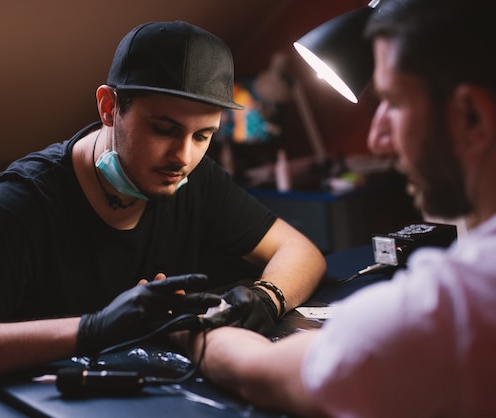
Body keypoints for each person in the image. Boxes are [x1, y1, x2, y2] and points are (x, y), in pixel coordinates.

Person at [0, 21, 326, 387]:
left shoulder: (192, 178)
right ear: (109, 108)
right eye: (164, 129)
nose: (183, 157)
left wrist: (269, 298)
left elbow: (300, 251)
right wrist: (92, 329)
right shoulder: (27, 200)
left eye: (202, 136)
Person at [179, 0, 496, 416]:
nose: (378, 140)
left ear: (472, 116)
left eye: (392, 103)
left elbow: (262, 371)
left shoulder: (458, 310)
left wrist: (190, 331)